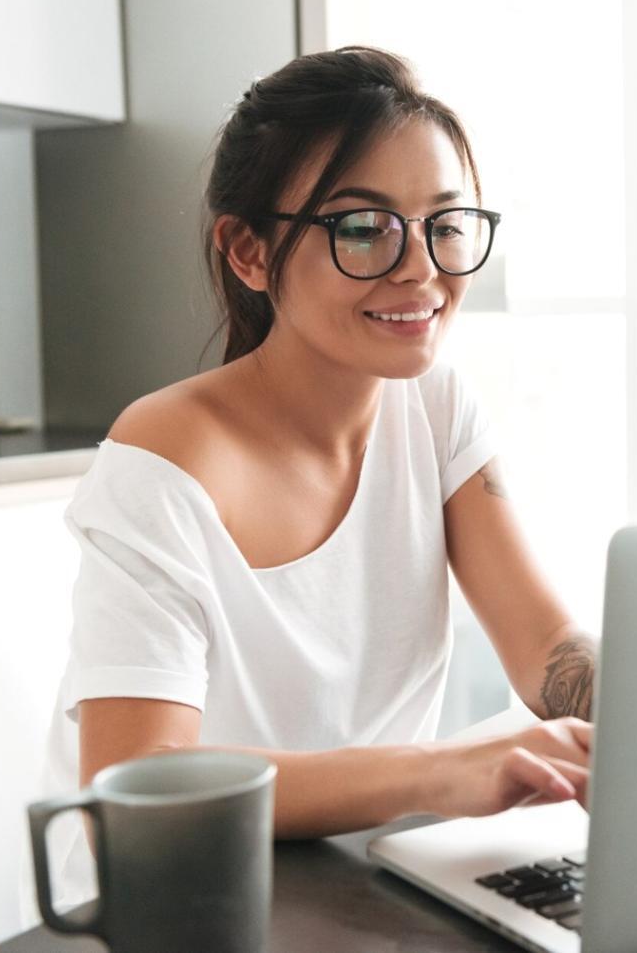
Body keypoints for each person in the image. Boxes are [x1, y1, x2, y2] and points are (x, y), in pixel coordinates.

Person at [41, 47, 598, 897]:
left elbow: (549, 655)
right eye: (362, 227)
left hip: (355, 881)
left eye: (445, 224)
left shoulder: (438, 409)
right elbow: (134, 784)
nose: (421, 270)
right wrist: (440, 770)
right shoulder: (161, 462)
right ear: (250, 253)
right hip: (174, 904)